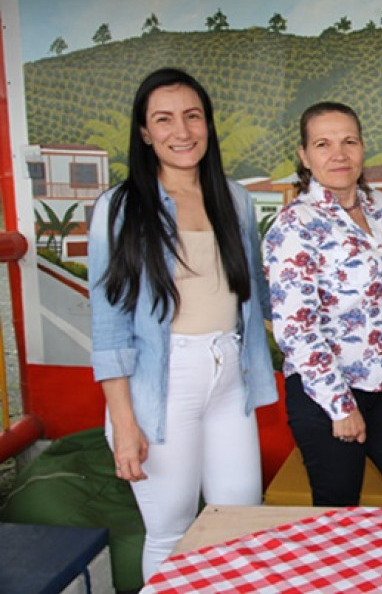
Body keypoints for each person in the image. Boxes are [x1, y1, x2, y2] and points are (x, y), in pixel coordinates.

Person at [88, 67, 277, 580]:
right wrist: (124, 425)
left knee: (240, 520)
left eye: (193, 116)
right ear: (145, 132)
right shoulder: (119, 208)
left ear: (209, 125)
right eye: (164, 120)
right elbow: (109, 329)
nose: (182, 131)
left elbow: (251, 295)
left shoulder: (234, 199)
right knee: (171, 529)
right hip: (162, 383)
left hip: (228, 374)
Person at [263, 101, 382, 508]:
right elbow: (297, 329)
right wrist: (340, 407)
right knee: (338, 509)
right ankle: (335, 572)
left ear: (362, 148)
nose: (338, 154)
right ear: (305, 156)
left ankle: (377, 569)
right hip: (326, 390)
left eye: (349, 141)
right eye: (323, 144)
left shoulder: (380, 207)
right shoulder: (296, 224)